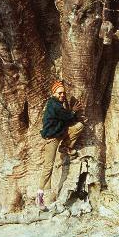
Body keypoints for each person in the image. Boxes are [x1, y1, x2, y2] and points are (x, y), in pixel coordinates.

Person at [36, 81, 84, 209]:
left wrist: (75, 116)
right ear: (54, 93)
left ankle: (65, 147)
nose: (62, 95)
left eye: (63, 93)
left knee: (78, 126)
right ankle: (40, 196)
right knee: (48, 167)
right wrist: (73, 111)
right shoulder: (53, 104)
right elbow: (65, 115)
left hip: (60, 133)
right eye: (59, 93)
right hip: (51, 138)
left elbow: (66, 118)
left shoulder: (59, 104)